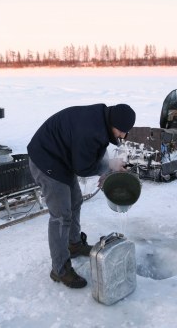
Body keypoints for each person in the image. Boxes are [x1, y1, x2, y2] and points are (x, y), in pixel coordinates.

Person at [27, 103, 136, 288]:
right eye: (121, 131)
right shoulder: (91, 130)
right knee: (61, 215)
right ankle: (60, 269)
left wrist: (105, 169)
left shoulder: (102, 119)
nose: (123, 136)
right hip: (46, 161)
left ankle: (74, 244)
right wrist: (109, 166)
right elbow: (83, 168)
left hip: (62, 157)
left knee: (75, 201)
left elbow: (95, 151)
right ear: (113, 123)